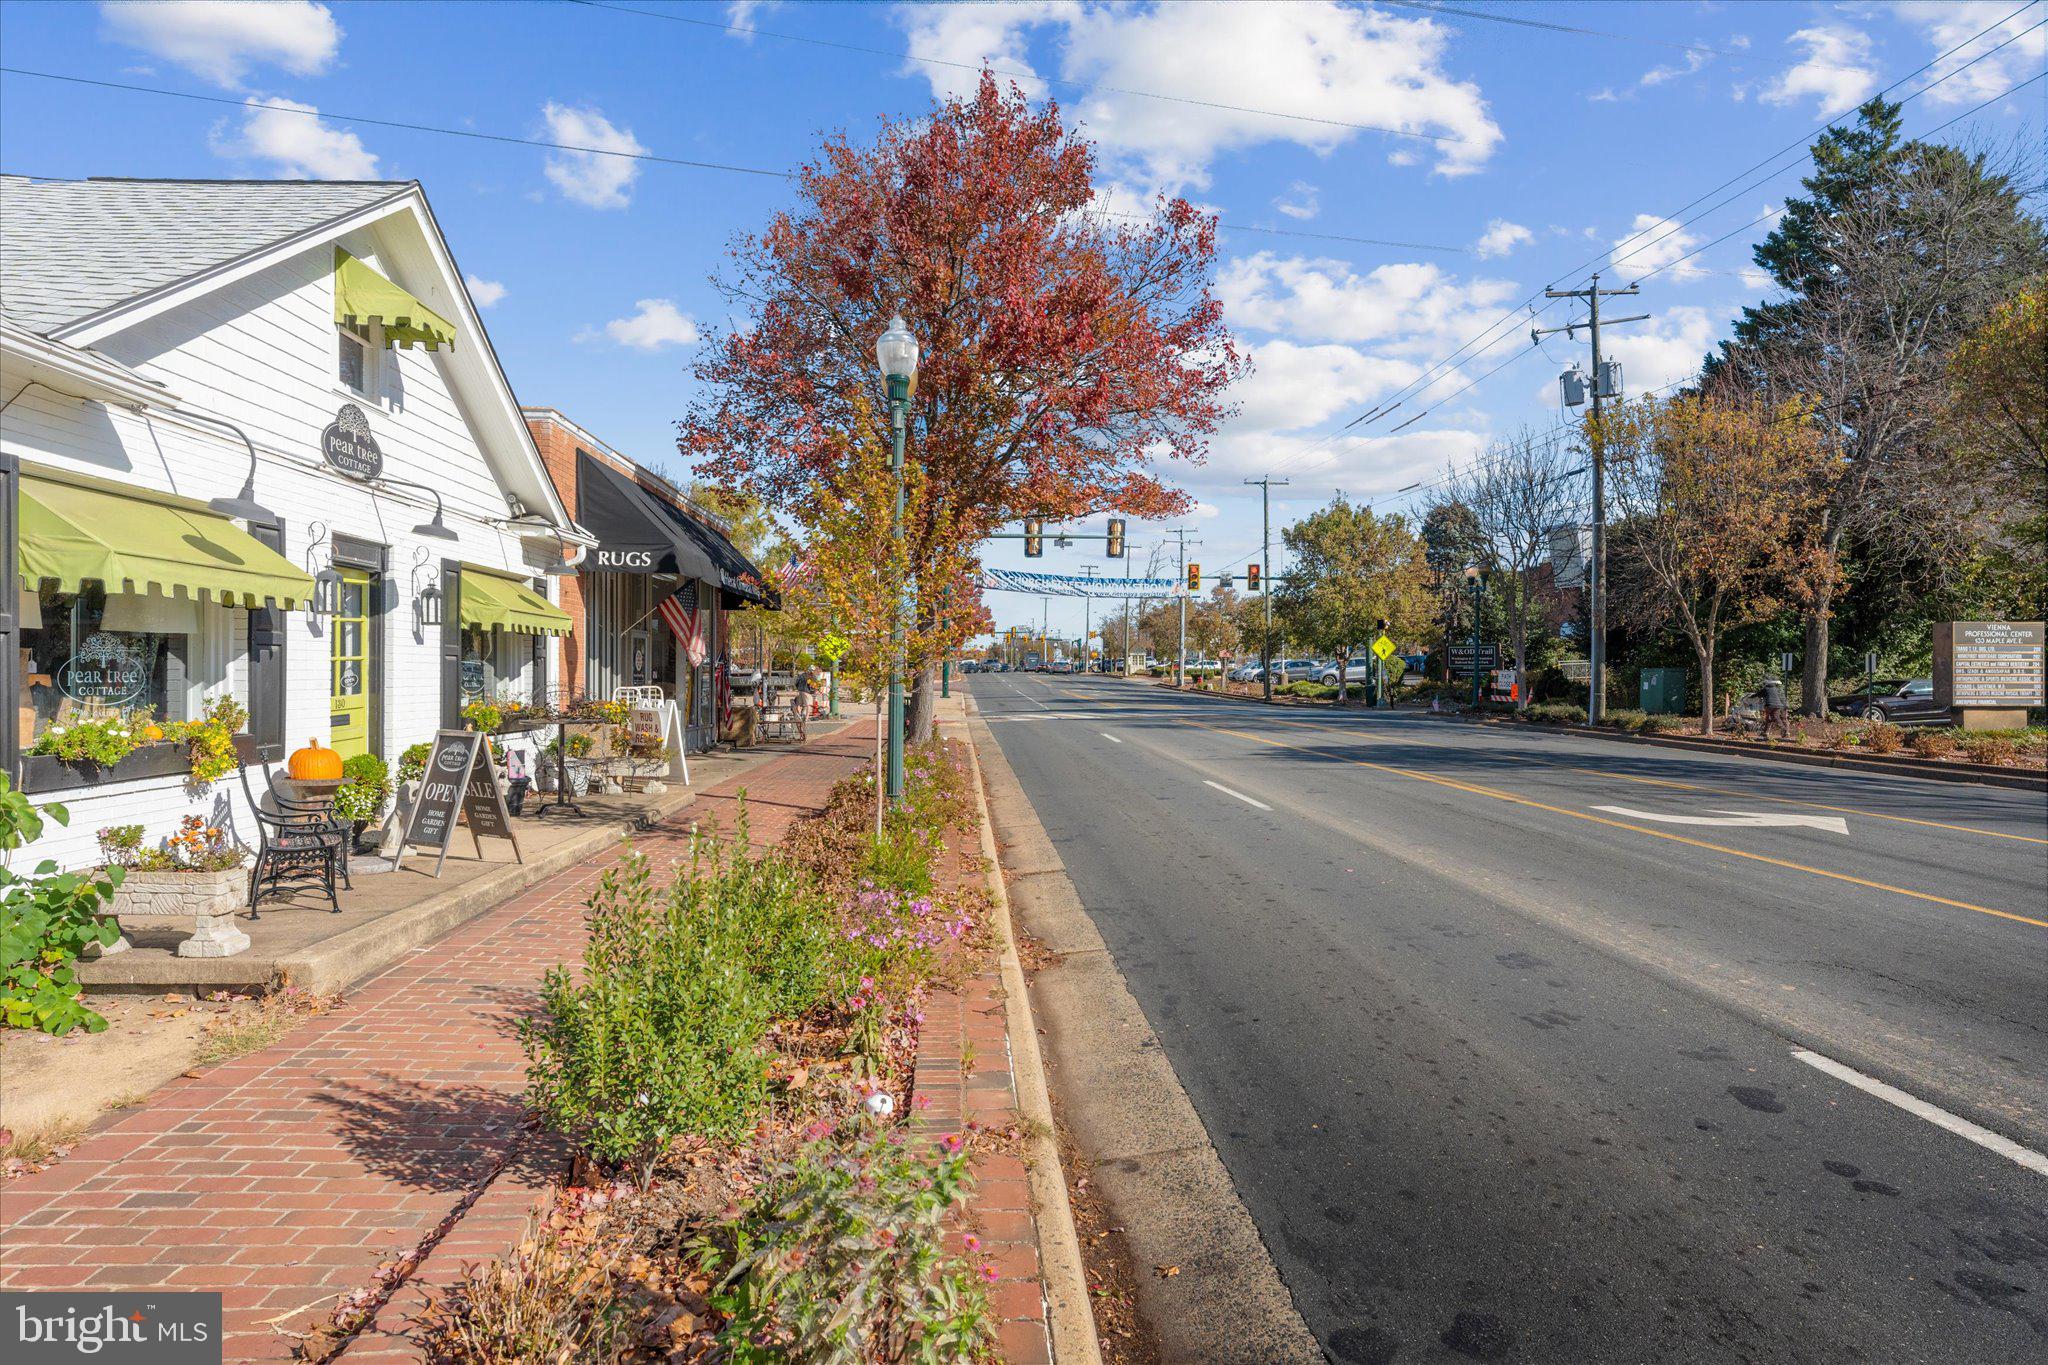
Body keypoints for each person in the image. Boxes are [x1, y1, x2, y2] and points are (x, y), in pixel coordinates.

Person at [1760, 675, 1791, 740]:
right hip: (1782, 704)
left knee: (1779, 718)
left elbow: (1780, 698)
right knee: (1776, 718)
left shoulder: (1774, 688)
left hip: (1781, 704)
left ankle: (1785, 732)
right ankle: (1766, 732)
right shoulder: (1778, 687)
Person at [794, 667, 817, 740]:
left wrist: (798, 688)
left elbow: (796, 683)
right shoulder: (812, 676)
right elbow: (813, 685)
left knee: (799, 704)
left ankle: (799, 715)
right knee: (808, 705)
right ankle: (806, 718)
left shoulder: (801, 675)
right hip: (807, 692)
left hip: (800, 691)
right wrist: (813, 691)